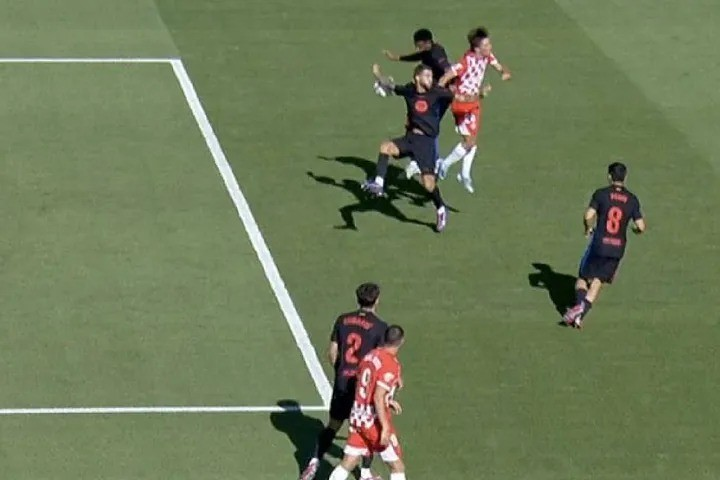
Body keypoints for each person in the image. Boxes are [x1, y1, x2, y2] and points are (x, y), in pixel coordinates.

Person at [299, 283, 388, 480]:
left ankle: (314, 461)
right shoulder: (380, 327)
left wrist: (341, 372)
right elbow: (379, 360)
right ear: (377, 300)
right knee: (367, 427)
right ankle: (365, 473)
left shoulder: (343, 320)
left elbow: (332, 352)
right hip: (363, 388)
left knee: (333, 424)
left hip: (342, 383)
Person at [364, 63, 454, 232]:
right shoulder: (410, 90)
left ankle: (441, 208)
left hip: (426, 144)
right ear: (417, 78)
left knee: (428, 185)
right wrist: (378, 74)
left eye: (431, 76)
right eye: (427, 76)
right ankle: (378, 184)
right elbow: (391, 86)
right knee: (385, 147)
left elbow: (458, 97)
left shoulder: (436, 92)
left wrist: (478, 94)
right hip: (410, 138)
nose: (430, 79)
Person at [563, 162, 646, 329]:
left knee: (583, 278)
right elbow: (641, 226)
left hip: (599, 244)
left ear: (609, 176)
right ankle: (580, 316)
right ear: (625, 177)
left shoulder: (601, 194)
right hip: (617, 248)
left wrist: (588, 228)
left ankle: (579, 305)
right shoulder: (632, 199)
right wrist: (636, 231)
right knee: (599, 280)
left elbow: (588, 215)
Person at [437, 27, 511, 193]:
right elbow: (447, 76)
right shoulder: (465, 62)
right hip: (462, 104)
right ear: (477, 48)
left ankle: (464, 174)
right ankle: (445, 164)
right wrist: (440, 91)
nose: (490, 47)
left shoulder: (487, 56)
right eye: (486, 45)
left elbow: (499, 66)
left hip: (475, 103)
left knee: (472, 142)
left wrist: (504, 72)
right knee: (469, 141)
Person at [328, 325, 407, 480]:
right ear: (401, 341)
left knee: (349, 461)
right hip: (373, 421)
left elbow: (365, 384)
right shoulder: (391, 364)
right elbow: (377, 396)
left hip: (357, 415)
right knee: (397, 466)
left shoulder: (369, 356)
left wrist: (387, 400)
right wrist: (385, 427)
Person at [382, 28, 453, 179]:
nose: (417, 48)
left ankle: (429, 161)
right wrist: (397, 58)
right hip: (430, 94)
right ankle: (418, 159)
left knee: (428, 127)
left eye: (418, 45)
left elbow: (448, 70)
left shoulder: (436, 53)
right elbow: (418, 56)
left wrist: (441, 86)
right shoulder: (427, 51)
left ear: (426, 43)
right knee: (414, 122)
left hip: (438, 97)